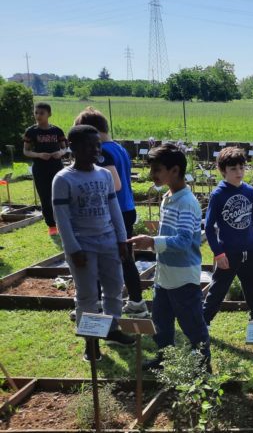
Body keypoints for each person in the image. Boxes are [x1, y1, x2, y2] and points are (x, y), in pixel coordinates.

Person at [52, 125, 135, 361]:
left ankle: (112, 328)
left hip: (108, 241)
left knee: (114, 287)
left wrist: (121, 240)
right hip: (83, 245)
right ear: (73, 147)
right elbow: (63, 219)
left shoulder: (104, 175)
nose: (95, 149)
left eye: (97, 144)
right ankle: (91, 342)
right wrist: (73, 249)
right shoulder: (63, 179)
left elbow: (114, 209)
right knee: (88, 294)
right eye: (89, 145)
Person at [129, 143, 209, 372]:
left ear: (175, 170)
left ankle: (203, 366)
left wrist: (152, 242)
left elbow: (184, 241)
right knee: (161, 323)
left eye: (157, 169)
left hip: (183, 277)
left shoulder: (187, 203)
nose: (152, 174)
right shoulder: (168, 197)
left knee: (193, 326)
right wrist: (155, 242)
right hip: (164, 274)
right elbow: (170, 236)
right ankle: (165, 358)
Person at [73, 107, 147, 318]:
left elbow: (114, 184)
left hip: (116, 213)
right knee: (126, 258)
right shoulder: (118, 147)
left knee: (113, 258)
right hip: (128, 208)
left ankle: (97, 304)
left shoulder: (102, 151)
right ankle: (135, 302)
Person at [203, 147, 253, 326]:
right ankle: (204, 323)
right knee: (218, 289)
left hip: (250, 250)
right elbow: (209, 227)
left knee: (252, 287)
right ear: (222, 171)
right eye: (233, 169)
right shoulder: (218, 195)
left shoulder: (249, 191)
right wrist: (218, 253)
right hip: (228, 252)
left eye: (242, 168)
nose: (239, 172)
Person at [23, 102, 67, 244]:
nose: (38, 116)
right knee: (45, 196)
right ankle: (52, 225)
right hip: (40, 168)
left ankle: (63, 223)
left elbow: (65, 148)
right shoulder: (31, 131)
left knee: (60, 195)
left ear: (49, 114)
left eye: (41, 113)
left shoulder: (57, 131)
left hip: (57, 167)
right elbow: (26, 151)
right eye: (36, 113)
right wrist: (39, 155)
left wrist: (60, 152)